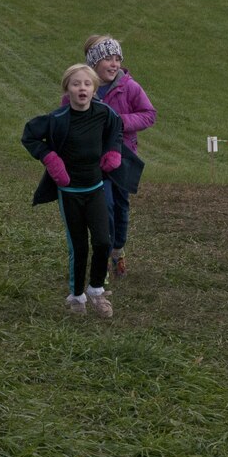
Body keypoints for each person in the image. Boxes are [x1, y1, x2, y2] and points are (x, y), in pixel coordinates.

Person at [22, 64, 125, 318]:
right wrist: (50, 158)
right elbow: (29, 136)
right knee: (78, 246)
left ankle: (96, 289)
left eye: (87, 84)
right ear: (67, 89)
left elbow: (117, 129)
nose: (82, 88)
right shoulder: (57, 120)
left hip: (96, 188)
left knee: (103, 241)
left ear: (94, 89)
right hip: (69, 192)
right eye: (76, 84)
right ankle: (77, 295)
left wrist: (113, 152)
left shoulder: (104, 113)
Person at [77, 35, 155, 279]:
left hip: (124, 156)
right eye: (107, 59)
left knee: (121, 206)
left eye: (117, 59)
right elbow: (65, 111)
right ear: (93, 63)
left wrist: (119, 122)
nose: (113, 64)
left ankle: (117, 250)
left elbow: (148, 114)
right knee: (105, 206)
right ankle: (102, 251)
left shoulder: (129, 86)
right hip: (93, 158)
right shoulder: (82, 85)